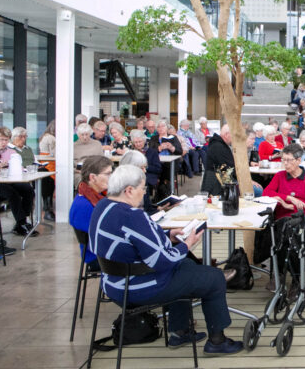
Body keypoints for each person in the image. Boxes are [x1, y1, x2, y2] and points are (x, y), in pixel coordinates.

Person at [88, 165, 244, 355]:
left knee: (186, 265)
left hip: (112, 283)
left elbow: (135, 241)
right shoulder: (132, 216)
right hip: (135, 287)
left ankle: (180, 330)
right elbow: (163, 261)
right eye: (143, 189)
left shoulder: (103, 206)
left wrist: (168, 235)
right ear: (128, 190)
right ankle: (217, 342)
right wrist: (187, 245)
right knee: (213, 278)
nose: (145, 193)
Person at [0, 126, 35, 236]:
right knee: (12, 194)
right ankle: (22, 222)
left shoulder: (11, 152)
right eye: (1, 139)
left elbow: (18, 167)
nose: (4, 142)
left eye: (6, 140)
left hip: (10, 179)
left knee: (28, 190)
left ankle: (22, 220)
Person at [68, 156, 112, 271]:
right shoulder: (84, 205)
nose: (111, 178)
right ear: (93, 177)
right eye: (108, 174)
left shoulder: (94, 197)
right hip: (98, 257)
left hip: (101, 252)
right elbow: (103, 237)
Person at [263, 144, 305, 222]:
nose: (285, 163)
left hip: (304, 216)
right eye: (283, 159)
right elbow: (266, 193)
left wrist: (289, 206)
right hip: (283, 217)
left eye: (289, 160)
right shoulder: (280, 175)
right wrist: (289, 198)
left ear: (298, 160)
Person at [129, 130, 162, 211]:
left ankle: (147, 207)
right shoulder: (131, 153)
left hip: (149, 175)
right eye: (136, 142)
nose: (138, 144)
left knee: (143, 182)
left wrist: (146, 167)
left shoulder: (152, 152)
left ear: (144, 141)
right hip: (134, 176)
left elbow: (158, 169)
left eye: (140, 141)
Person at [202, 125, 236, 196]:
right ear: (226, 135)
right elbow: (227, 169)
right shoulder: (219, 147)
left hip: (220, 181)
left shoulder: (218, 144)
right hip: (217, 185)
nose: (234, 138)